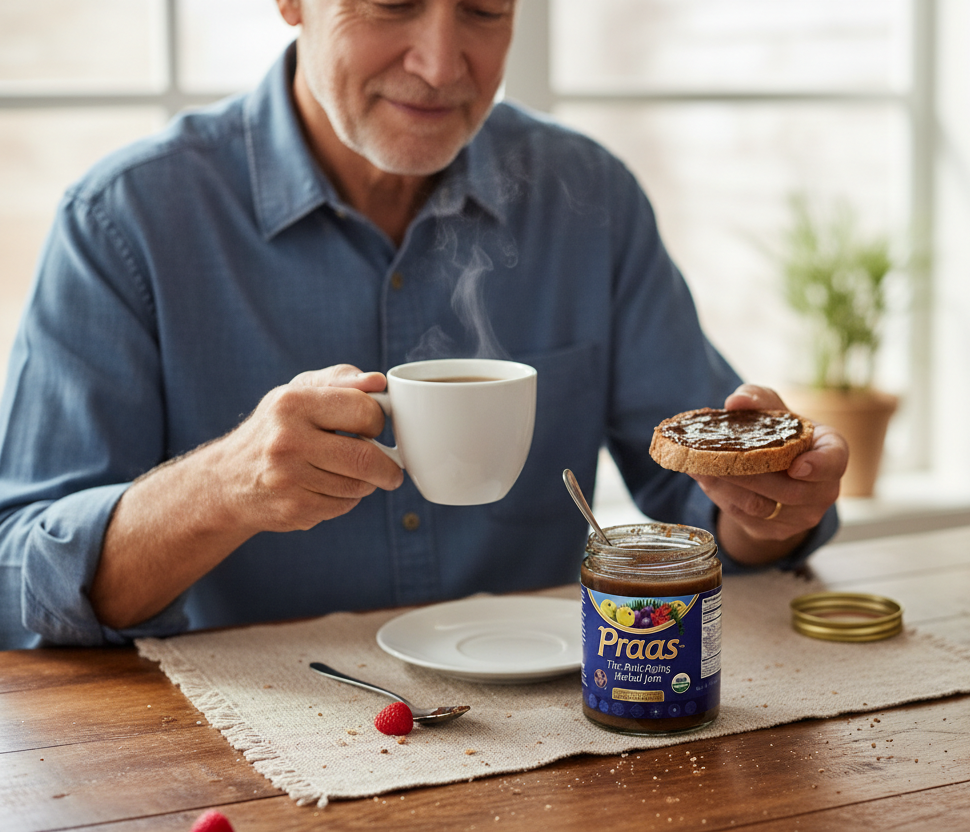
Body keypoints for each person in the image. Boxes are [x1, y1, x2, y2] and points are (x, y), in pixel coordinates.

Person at [0, 0, 848, 650]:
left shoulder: (587, 200)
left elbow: (705, 516)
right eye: (393, 2)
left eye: (484, 9)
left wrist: (773, 509)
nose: (443, 64)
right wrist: (224, 487)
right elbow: (20, 578)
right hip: (241, 748)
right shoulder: (126, 222)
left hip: (548, 741)